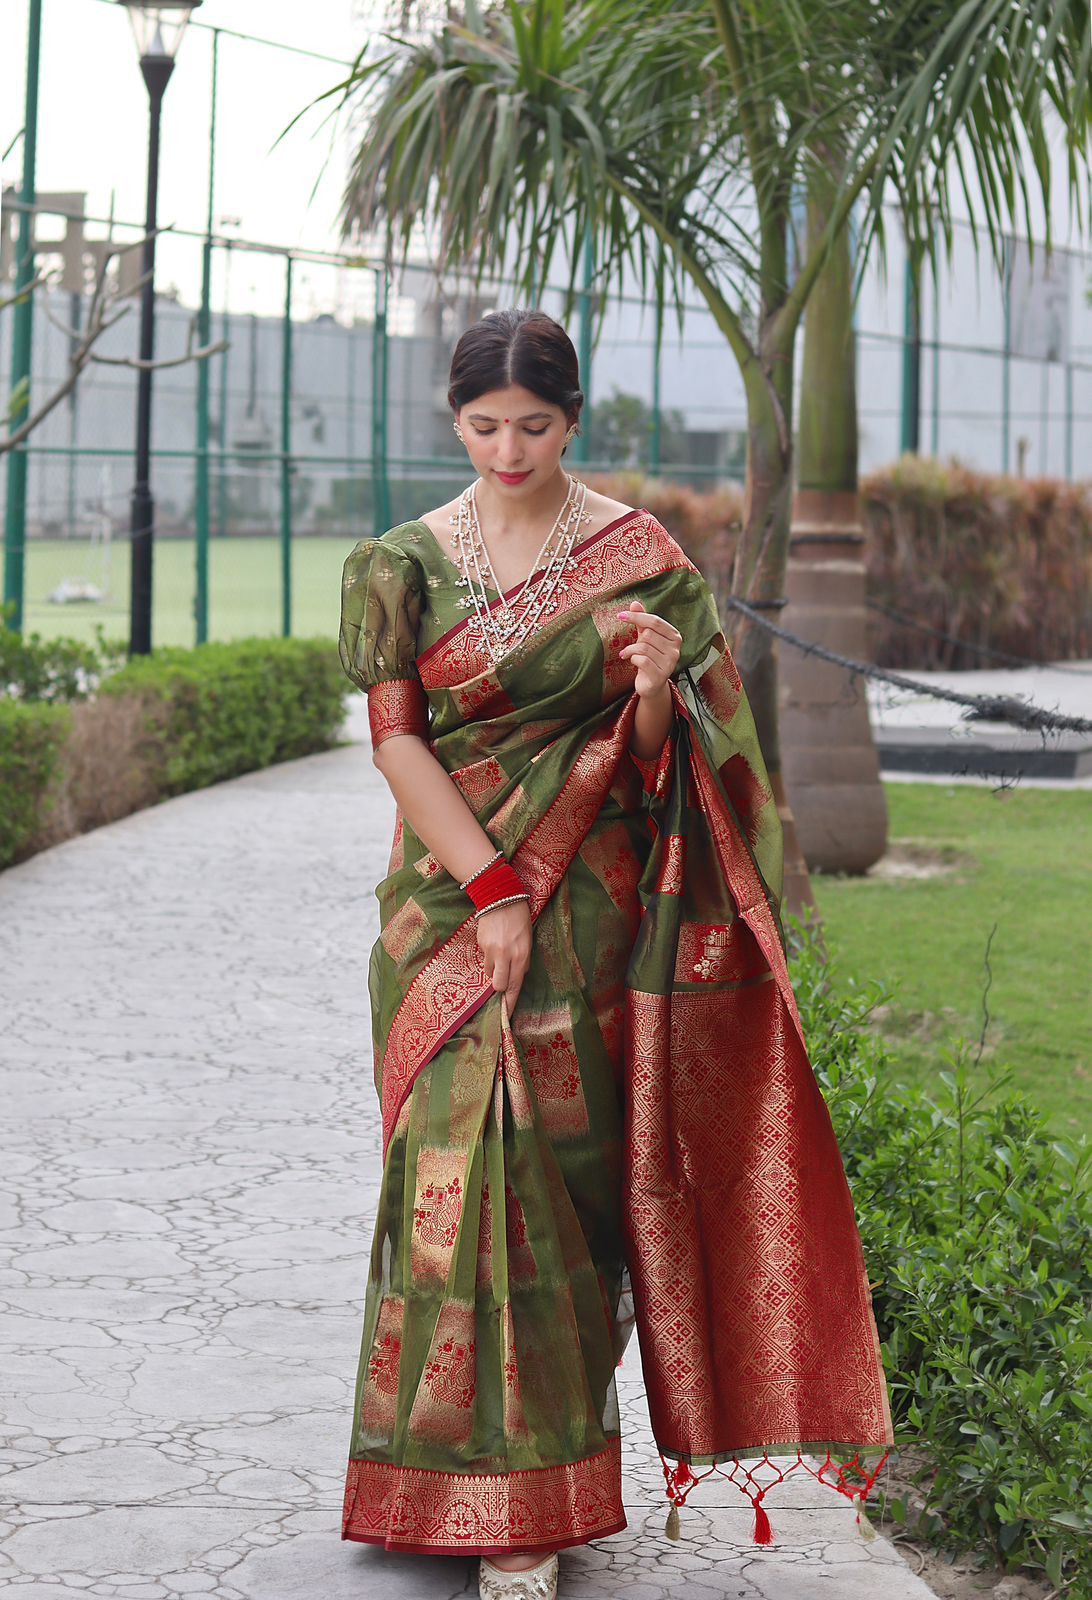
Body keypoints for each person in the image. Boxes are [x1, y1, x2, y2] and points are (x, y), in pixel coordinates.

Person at [337, 308, 894, 1600]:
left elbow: (681, 758)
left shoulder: (639, 562)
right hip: (443, 914)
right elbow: (397, 743)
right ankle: (432, 1470)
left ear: (574, 420)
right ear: (455, 418)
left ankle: (534, 1506)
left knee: (560, 1187)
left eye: (534, 426)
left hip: (590, 912)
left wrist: (653, 688)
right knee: (448, 1172)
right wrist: (487, 887)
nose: (508, 449)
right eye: (483, 427)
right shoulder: (400, 565)